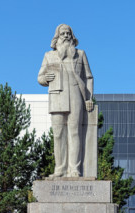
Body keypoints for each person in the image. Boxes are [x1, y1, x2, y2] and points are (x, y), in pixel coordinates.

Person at [38, 24, 94, 178]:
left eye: (68, 33)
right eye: (62, 33)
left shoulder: (80, 54)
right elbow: (40, 77)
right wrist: (45, 79)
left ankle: (74, 169)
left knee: (75, 132)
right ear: (57, 36)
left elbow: (88, 77)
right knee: (58, 135)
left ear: (72, 35)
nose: (66, 36)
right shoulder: (49, 56)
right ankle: (60, 169)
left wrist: (89, 98)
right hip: (57, 97)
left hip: (76, 95)